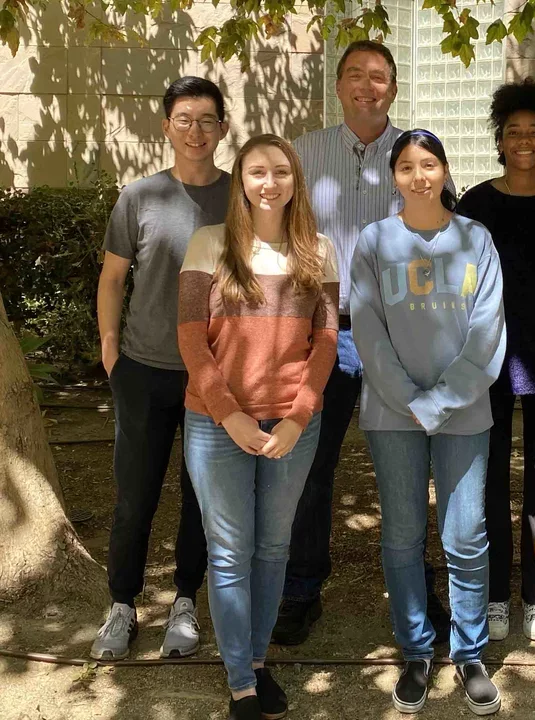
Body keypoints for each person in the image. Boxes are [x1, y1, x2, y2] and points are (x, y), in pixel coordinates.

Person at [277, 39, 450, 646]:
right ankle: (300, 589)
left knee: (410, 464)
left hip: (401, 335)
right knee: (309, 466)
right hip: (323, 330)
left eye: (378, 76)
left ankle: (420, 585)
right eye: (355, 74)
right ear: (338, 85)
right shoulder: (303, 154)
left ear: (394, 88)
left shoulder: (415, 154)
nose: (366, 85)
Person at [178, 133, 339, 720]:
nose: (269, 183)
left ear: (296, 180)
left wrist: (298, 415)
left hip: (292, 425)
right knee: (229, 553)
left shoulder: (317, 249)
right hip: (216, 424)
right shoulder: (209, 244)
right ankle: (240, 682)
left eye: (280, 172)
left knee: (272, 550)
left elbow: (325, 343)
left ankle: (259, 662)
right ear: (240, 182)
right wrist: (230, 414)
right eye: (256, 173)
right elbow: (192, 338)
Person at [350, 130, 506, 716]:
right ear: (394, 176)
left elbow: (488, 331)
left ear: (444, 171)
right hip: (392, 414)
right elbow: (366, 329)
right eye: (408, 166)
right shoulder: (374, 241)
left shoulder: (476, 238)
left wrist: (440, 401)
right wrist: (410, 400)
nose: (420, 176)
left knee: (465, 536)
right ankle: (416, 650)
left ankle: (469, 653)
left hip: (465, 412)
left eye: (430, 164)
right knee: (403, 534)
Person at [92, 76, 230, 661]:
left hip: (215, 375)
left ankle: (184, 602)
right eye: (183, 119)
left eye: (206, 119)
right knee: (135, 497)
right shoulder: (140, 197)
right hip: (144, 369)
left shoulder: (242, 198)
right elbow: (112, 278)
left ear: (223, 127)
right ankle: (121, 604)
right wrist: (110, 350)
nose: (195, 131)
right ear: (166, 126)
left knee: (202, 497)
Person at [456, 78, 535, 643]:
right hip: (487, 364)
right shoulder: (476, 204)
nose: (524, 141)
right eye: (513, 133)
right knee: (486, 482)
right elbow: (458, 289)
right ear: (500, 142)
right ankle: (494, 594)